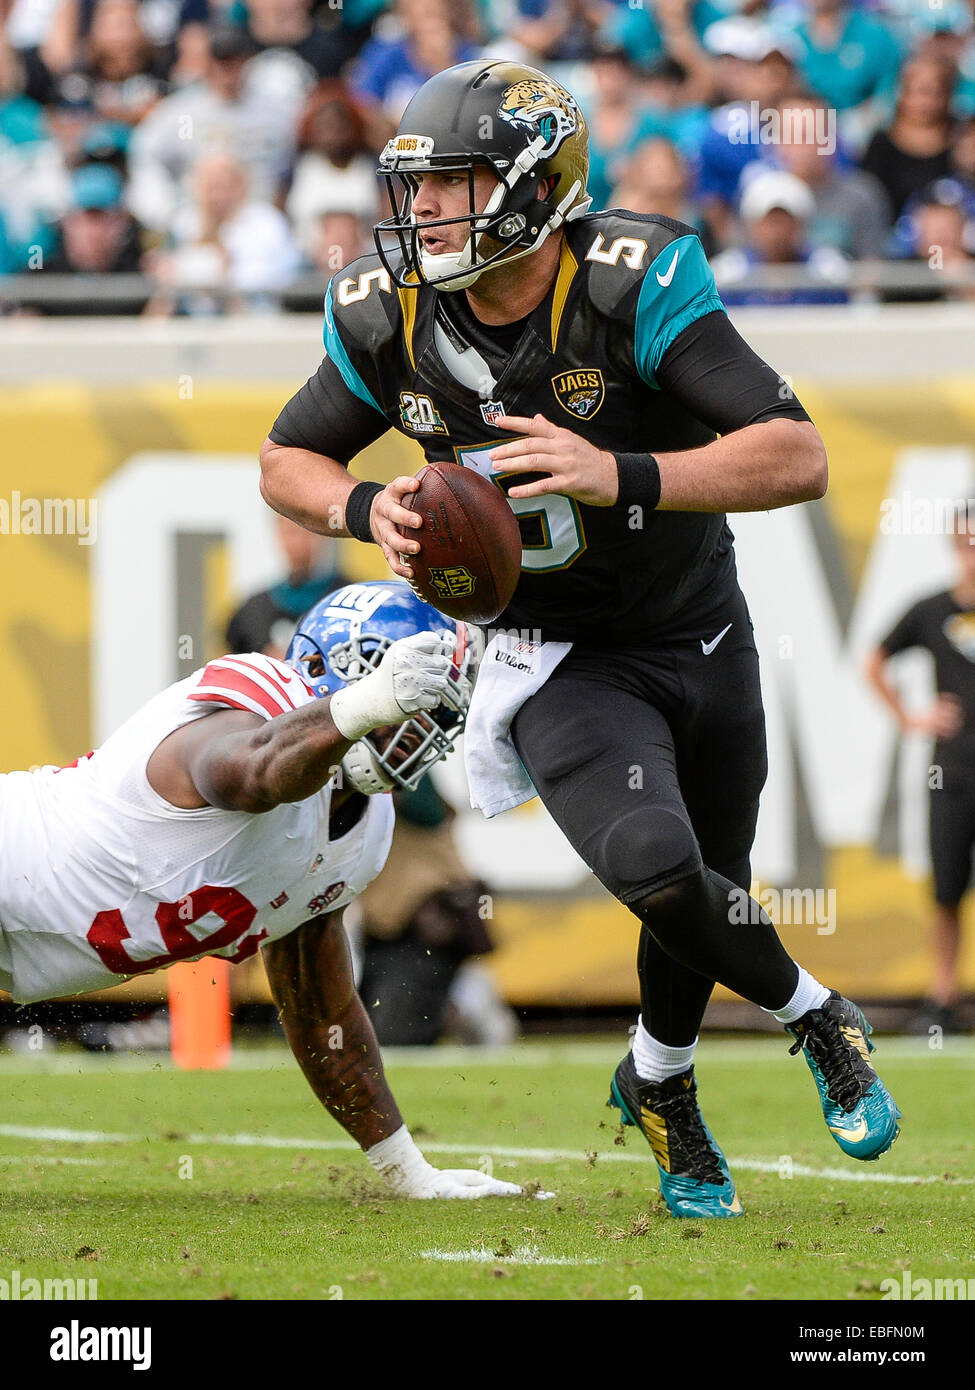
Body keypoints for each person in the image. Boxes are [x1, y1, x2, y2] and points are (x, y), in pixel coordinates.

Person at [259, 59, 901, 1220]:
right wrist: (369, 509)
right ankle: (818, 1016)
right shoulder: (386, 308)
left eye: (453, 186)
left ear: (532, 188)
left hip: (698, 626)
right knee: (657, 864)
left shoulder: (625, 281)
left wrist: (623, 472)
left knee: (711, 891)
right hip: (548, 652)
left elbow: (795, 454)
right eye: (420, 188)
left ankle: (660, 1081)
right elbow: (286, 459)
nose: (426, 214)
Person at [0, 581, 525, 1200]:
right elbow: (252, 773)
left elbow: (320, 1010)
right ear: (344, 677)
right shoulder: (258, 698)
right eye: (410, 699)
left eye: (432, 709)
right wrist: (364, 707)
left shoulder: (366, 831)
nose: (420, 726)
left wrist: (409, 1172)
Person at [865, 504, 975, 1035]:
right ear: (955, 547)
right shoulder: (932, 610)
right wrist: (912, 716)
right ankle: (944, 995)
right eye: (968, 543)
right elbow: (874, 660)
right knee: (947, 888)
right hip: (952, 774)